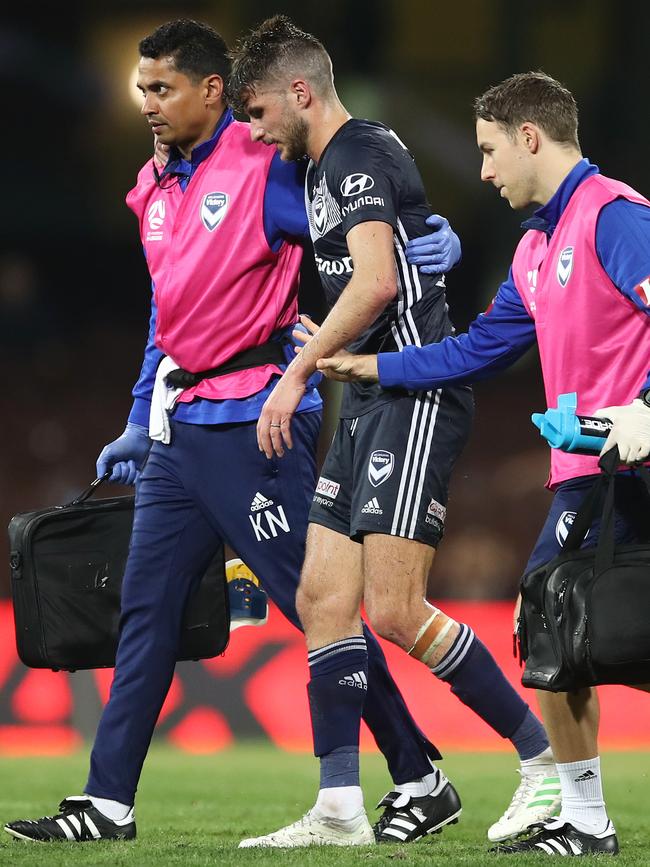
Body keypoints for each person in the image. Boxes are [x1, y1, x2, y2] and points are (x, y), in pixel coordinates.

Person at [3, 18, 464, 845]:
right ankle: (106, 802)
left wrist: (430, 246)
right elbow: (163, 310)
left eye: (162, 88)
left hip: (259, 420)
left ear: (212, 90)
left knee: (312, 604)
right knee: (144, 611)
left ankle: (420, 772)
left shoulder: (267, 168)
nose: (146, 102)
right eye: (141, 88)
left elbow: (363, 238)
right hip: (182, 430)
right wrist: (143, 416)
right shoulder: (155, 184)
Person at [229, 17, 559, 849]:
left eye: (263, 113)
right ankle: (339, 806)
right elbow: (377, 276)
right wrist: (324, 341)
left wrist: (300, 371)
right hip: (368, 394)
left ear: (301, 93)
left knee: (395, 606)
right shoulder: (319, 170)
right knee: (321, 598)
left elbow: (376, 283)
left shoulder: (359, 153)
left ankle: (543, 762)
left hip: (415, 396)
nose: (260, 133)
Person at [317, 71, 650, 856]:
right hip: (591, 475)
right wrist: (376, 369)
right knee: (559, 631)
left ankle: (583, 817)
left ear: (531, 137)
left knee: (560, 628)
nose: (484, 171)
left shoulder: (617, 217)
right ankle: (583, 819)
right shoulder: (536, 248)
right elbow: (478, 348)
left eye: (490, 150)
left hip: (631, 466)